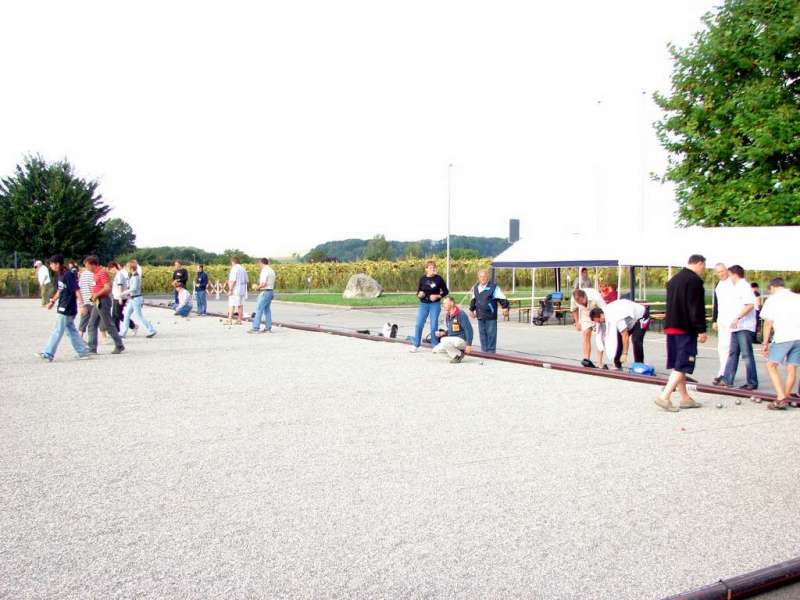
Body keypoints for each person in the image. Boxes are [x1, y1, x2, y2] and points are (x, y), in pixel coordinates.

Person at [655, 254, 707, 412]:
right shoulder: (694, 281)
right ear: (699, 263)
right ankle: (665, 396)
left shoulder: (674, 279)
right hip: (685, 327)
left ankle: (685, 398)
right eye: (704, 266)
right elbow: (695, 307)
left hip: (671, 325)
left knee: (679, 363)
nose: (704, 269)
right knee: (683, 362)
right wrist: (701, 329)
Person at [37, 254, 91, 361]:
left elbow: (76, 289)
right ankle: (83, 352)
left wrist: (82, 305)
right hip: (63, 305)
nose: (51, 266)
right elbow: (60, 290)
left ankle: (48, 353)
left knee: (58, 330)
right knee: (71, 331)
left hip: (67, 307)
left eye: (52, 264)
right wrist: (52, 301)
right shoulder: (60, 275)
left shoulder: (68, 275)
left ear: (57, 264)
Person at [760, 278, 800, 410]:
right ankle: (786, 397)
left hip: (783, 336)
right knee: (792, 368)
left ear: (772, 287)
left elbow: (767, 323)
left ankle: (781, 397)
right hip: (798, 336)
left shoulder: (772, 300)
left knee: (771, 365)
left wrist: (765, 343)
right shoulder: (797, 297)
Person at [720, 265, 758, 390]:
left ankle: (752, 381)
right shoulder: (736, 287)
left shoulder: (744, 286)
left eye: (729, 274)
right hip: (736, 326)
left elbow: (750, 305)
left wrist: (738, 318)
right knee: (733, 353)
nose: (729, 277)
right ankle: (727, 379)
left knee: (746, 354)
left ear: (734, 274)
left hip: (744, 326)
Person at [590, 299, 648, 370]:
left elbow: (625, 335)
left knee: (636, 339)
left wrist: (625, 353)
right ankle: (617, 364)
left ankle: (639, 365)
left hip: (642, 315)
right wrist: (599, 362)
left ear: (601, 315)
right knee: (618, 339)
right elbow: (602, 338)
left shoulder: (615, 317)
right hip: (630, 319)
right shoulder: (605, 313)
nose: (600, 323)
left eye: (599, 321)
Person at [84, 255, 125, 355]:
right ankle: (92, 348)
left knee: (108, 324)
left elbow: (107, 287)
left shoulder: (102, 273)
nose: (86, 268)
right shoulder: (96, 273)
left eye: (87, 266)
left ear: (93, 264)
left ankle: (119, 345)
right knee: (92, 324)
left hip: (103, 301)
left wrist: (96, 295)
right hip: (98, 301)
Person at [409, 260, 449, 352]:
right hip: (424, 304)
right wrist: (419, 295)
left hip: (434, 304)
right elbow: (418, 292)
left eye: (434, 267)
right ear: (426, 269)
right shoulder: (422, 279)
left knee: (434, 324)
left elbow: (446, 292)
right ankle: (416, 344)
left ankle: (434, 344)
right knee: (419, 324)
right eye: (430, 267)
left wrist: (437, 296)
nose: (433, 269)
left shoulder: (439, 279)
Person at [468, 269, 509, 353]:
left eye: (484, 276)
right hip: (480, 315)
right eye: (481, 276)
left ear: (487, 277)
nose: (482, 278)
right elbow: (473, 300)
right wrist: (471, 310)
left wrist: (505, 307)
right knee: (482, 334)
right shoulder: (476, 288)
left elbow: (502, 298)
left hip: (490, 315)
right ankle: (484, 352)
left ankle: (491, 352)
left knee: (491, 335)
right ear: (478, 278)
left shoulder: (494, 287)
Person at [120, 260, 157, 338]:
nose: (126, 268)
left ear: (131, 268)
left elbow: (134, 288)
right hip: (133, 299)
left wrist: (123, 293)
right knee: (126, 315)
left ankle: (151, 330)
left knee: (139, 316)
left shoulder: (135, 276)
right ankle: (123, 333)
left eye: (127, 267)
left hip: (136, 299)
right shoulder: (133, 276)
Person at [711, 263, 734, 385]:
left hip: (732, 320)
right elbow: (717, 303)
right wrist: (714, 320)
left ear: (727, 270)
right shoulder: (718, 285)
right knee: (722, 347)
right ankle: (722, 371)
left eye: (723, 271)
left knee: (730, 347)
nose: (721, 274)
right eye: (719, 272)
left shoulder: (733, 283)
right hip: (722, 319)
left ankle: (726, 373)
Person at [570, 288, 606, 367]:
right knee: (586, 334)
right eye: (579, 303)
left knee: (600, 337)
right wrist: (577, 322)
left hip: (598, 313)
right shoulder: (574, 298)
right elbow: (574, 310)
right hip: (586, 314)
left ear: (585, 296)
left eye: (583, 302)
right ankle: (587, 359)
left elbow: (604, 309)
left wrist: (601, 321)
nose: (582, 304)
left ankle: (599, 362)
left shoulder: (595, 296)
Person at [432, 297, 474, 363]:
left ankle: (459, 355)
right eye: (443, 304)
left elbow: (469, 330)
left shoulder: (461, 314)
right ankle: (456, 356)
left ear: (451, 303)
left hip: (462, 340)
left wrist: (469, 345)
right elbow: (451, 330)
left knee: (443, 340)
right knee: (435, 350)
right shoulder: (448, 315)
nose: (443, 305)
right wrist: (443, 333)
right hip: (453, 340)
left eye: (445, 303)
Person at [249, 258, 276, 334]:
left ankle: (255, 328)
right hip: (270, 291)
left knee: (259, 310)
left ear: (261, 263)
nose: (258, 265)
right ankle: (268, 328)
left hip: (265, 291)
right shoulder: (271, 270)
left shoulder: (264, 270)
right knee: (267, 311)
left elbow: (263, 283)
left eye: (259, 263)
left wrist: (257, 288)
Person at [109, 261, 136, 334]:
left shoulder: (119, 274)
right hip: (116, 297)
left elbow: (120, 286)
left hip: (120, 297)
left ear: (114, 267)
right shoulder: (118, 274)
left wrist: (120, 297)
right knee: (114, 314)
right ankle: (116, 331)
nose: (110, 271)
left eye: (110, 269)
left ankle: (133, 325)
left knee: (118, 314)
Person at [225, 256, 248, 325]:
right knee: (240, 305)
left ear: (233, 262)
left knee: (231, 304)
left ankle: (229, 320)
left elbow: (233, 280)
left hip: (235, 289)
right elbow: (246, 280)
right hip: (242, 289)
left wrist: (230, 289)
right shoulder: (243, 269)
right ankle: (239, 320)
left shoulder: (234, 269)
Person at [77, 264, 97, 336]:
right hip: (91, 300)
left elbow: (79, 287)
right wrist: (94, 300)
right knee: (94, 320)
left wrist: (80, 302)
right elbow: (93, 288)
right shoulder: (92, 275)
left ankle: (80, 336)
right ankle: (104, 336)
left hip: (84, 299)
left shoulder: (83, 274)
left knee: (84, 319)